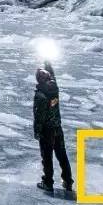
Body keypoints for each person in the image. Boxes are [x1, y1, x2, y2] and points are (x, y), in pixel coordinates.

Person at [33, 60, 73, 196]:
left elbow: (39, 116)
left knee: (47, 156)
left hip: (47, 130)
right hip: (57, 128)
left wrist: (37, 131)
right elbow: (53, 76)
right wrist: (48, 65)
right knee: (62, 155)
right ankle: (68, 182)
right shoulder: (54, 89)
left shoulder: (40, 95)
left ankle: (48, 183)